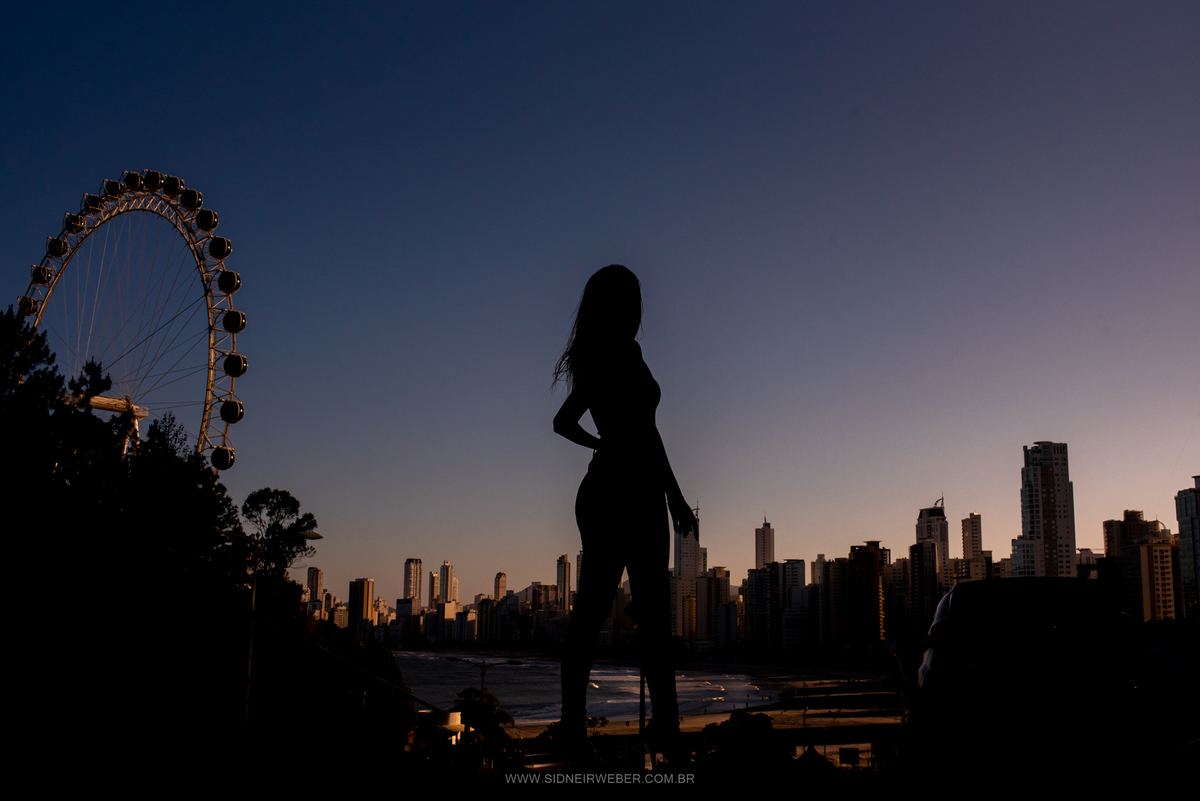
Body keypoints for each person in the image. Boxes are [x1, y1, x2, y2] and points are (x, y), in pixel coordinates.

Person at [553, 265, 697, 755]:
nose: (638, 312)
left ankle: (666, 728)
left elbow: (649, 433)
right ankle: (576, 731)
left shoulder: (629, 354)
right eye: (630, 303)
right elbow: (564, 421)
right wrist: (604, 443)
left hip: (642, 493)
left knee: (652, 617)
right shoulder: (604, 357)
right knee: (595, 612)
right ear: (612, 307)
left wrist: (675, 496)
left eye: (638, 303)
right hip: (614, 493)